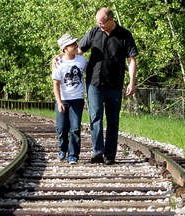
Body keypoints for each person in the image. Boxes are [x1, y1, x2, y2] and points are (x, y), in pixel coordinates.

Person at [77, 7, 138, 165]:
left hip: (114, 84)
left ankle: (109, 155)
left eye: (102, 23)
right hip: (94, 83)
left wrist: (132, 81)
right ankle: (97, 152)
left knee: (113, 121)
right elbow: (78, 50)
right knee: (95, 117)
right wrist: (61, 56)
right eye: (97, 23)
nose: (99, 26)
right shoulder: (94, 32)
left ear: (111, 20)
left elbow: (131, 59)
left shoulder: (124, 35)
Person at [52, 33, 87, 165]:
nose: (75, 46)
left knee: (75, 128)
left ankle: (73, 155)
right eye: (72, 44)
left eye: (75, 43)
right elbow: (56, 84)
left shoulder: (82, 60)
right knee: (61, 128)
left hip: (77, 99)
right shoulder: (59, 64)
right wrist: (59, 102)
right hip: (63, 99)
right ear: (65, 48)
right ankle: (62, 149)